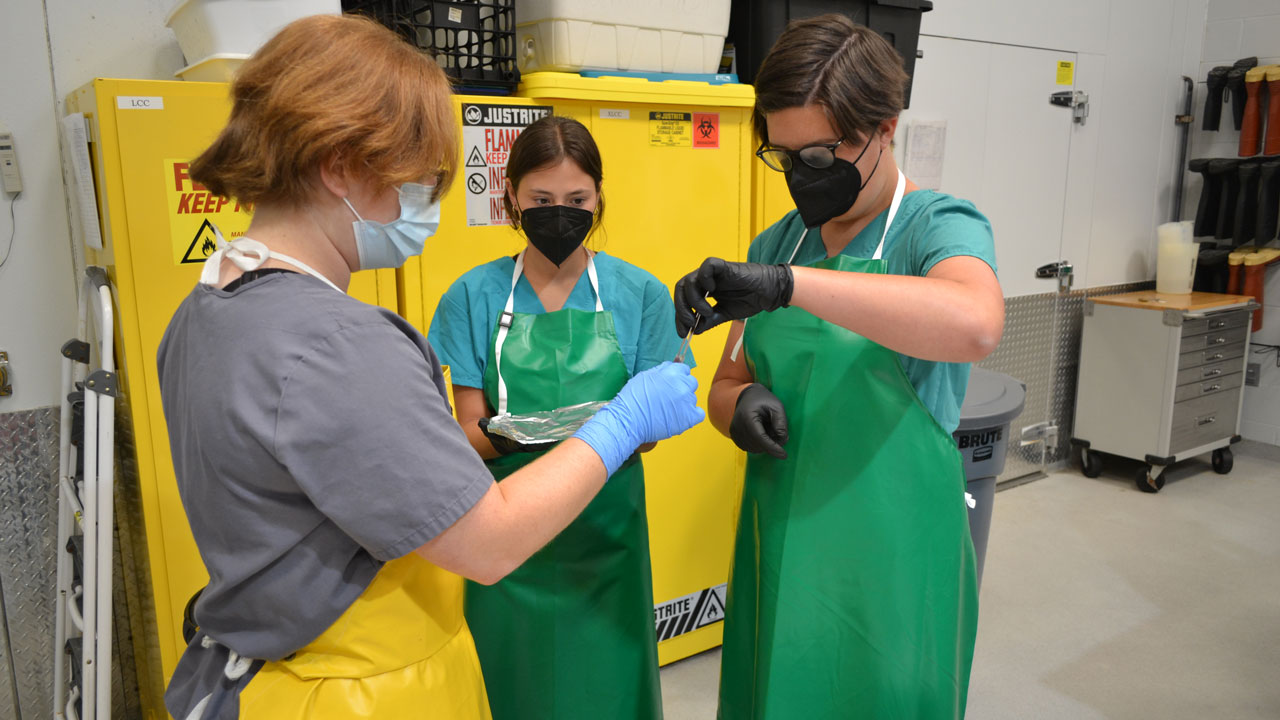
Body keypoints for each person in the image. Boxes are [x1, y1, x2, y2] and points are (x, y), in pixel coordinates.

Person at [156, 16, 702, 720]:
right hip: (354, 689)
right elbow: (490, 541)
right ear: (341, 165)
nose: (423, 204)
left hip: (258, 670)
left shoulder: (206, 310)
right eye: (415, 180)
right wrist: (622, 418)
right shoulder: (340, 343)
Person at [673, 14, 1004, 719]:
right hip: (786, 546)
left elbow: (975, 323)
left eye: (820, 156)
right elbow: (725, 386)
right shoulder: (780, 238)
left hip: (894, 556)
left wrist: (791, 284)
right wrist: (740, 409)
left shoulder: (936, 226)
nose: (801, 177)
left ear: (885, 128)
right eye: (784, 155)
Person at [428, 115, 688, 720]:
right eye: (541, 200)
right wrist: (522, 432)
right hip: (506, 540)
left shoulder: (641, 295)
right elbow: (467, 434)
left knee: (608, 693)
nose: (560, 213)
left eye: (577, 200)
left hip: (606, 539)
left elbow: (649, 429)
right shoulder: (472, 296)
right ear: (511, 197)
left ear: (599, 199)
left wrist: (607, 428)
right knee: (512, 690)